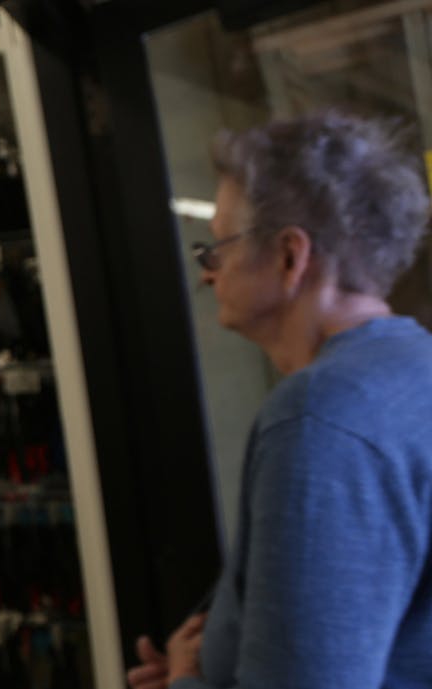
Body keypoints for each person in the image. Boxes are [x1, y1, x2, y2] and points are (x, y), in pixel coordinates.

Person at [127, 110, 432, 689]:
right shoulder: (417, 370)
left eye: (217, 247)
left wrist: (189, 681)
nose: (208, 273)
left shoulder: (320, 416)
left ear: (291, 257)